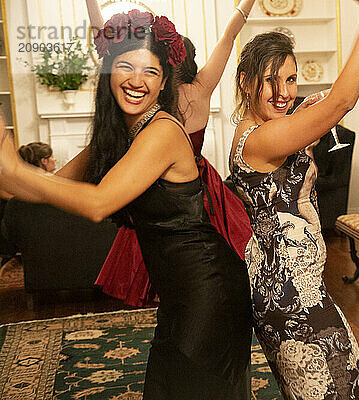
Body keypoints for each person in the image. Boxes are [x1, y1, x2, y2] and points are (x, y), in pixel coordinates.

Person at [0, 11, 251, 398]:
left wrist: (16, 172)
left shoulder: (164, 130)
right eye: (125, 67)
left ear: (165, 81)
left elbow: (99, 203)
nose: (137, 81)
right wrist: (11, 182)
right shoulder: (117, 136)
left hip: (210, 290)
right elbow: (51, 185)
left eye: (151, 72)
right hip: (180, 294)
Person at [228, 0, 359, 398]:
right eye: (270, 81)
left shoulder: (268, 128)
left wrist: (302, 116)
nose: (283, 93)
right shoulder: (261, 139)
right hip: (291, 301)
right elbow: (343, 101)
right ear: (245, 82)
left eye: (291, 80)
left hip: (296, 290)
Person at [78, 0, 256, 306]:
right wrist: (246, 4)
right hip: (201, 188)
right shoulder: (201, 89)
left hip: (161, 187)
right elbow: (229, 36)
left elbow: (104, 46)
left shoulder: (149, 100)